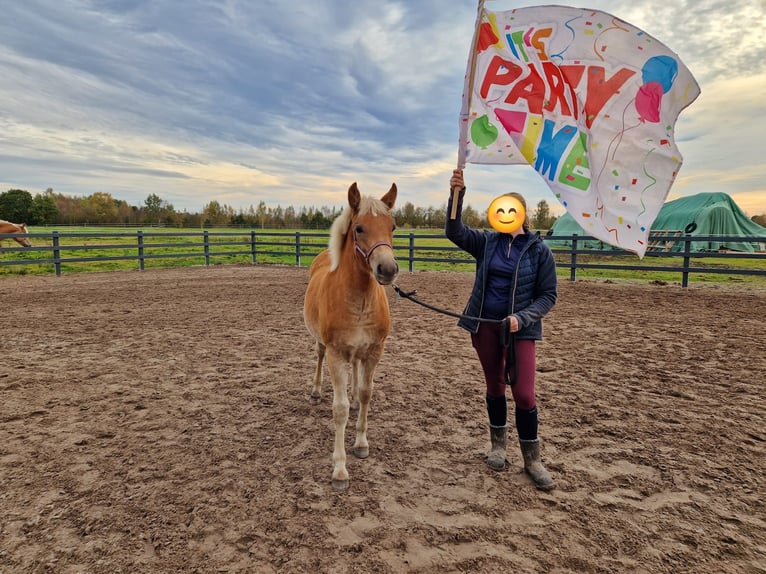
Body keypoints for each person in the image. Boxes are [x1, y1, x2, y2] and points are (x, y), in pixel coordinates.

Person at [445, 168, 558, 490]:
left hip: (520, 330)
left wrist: (523, 317)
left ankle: (532, 459)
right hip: (485, 326)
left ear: (522, 215)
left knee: (523, 394)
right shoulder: (486, 243)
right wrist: (456, 194)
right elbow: (454, 231)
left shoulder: (539, 251)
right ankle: (497, 446)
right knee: (494, 387)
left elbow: (548, 294)